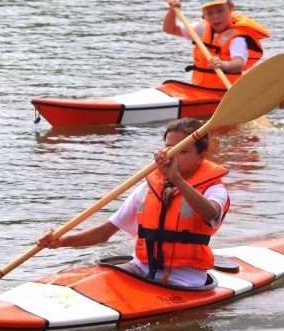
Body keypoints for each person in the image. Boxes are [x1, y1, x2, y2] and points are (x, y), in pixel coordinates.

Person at [36, 118, 229, 289]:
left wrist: (176, 179)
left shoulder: (215, 189)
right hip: (139, 268)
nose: (171, 155)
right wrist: (61, 241)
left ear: (201, 157)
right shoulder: (147, 188)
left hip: (185, 279)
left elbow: (211, 213)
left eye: (182, 150)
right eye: (168, 147)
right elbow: (105, 232)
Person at [162, 0, 269, 91]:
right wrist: (172, 12)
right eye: (209, 13)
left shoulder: (237, 38)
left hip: (225, 92)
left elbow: (239, 63)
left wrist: (224, 65)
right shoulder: (200, 29)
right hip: (199, 90)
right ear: (203, 13)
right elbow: (170, 29)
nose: (216, 17)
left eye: (220, 11)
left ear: (231, 8)